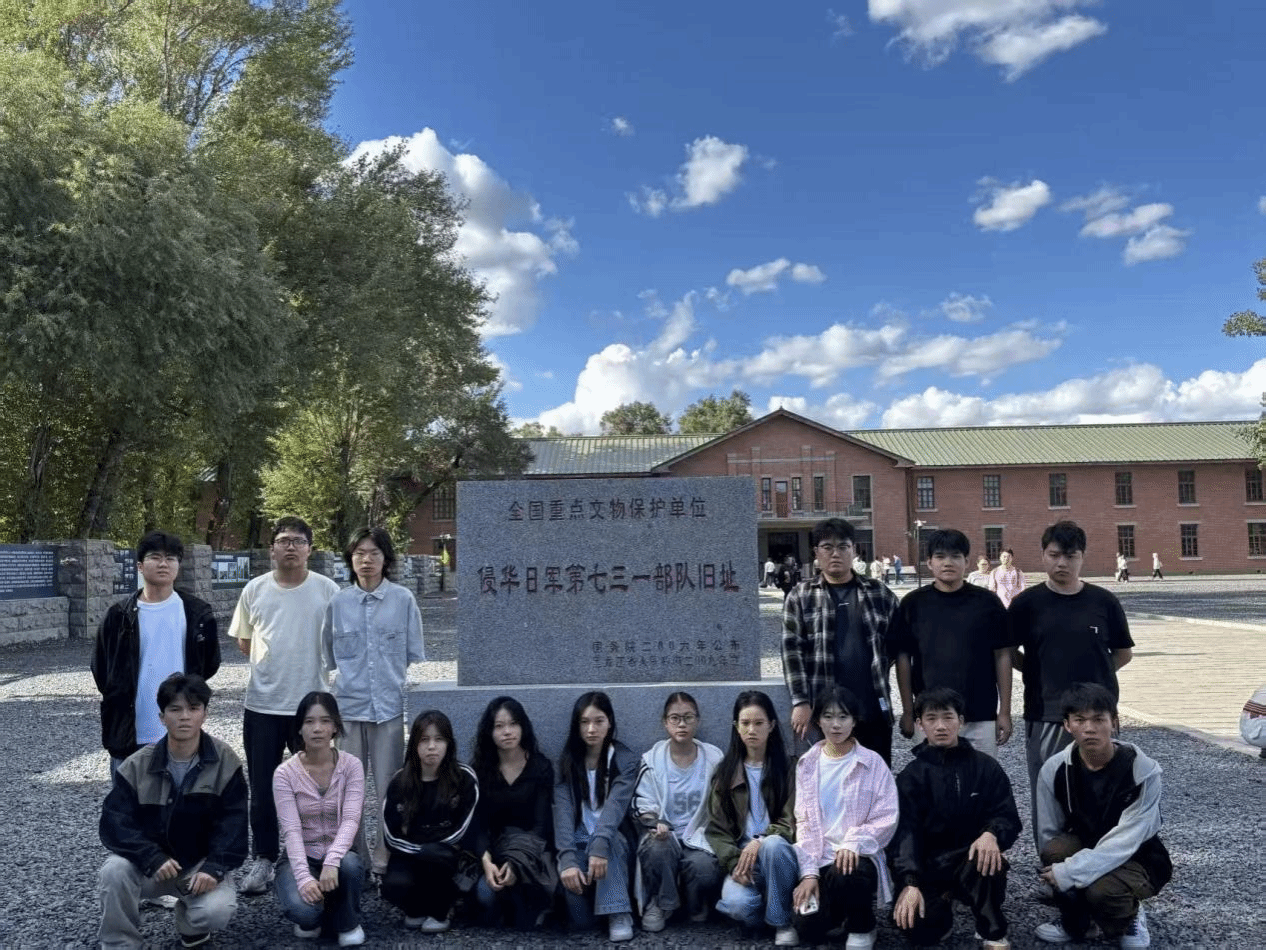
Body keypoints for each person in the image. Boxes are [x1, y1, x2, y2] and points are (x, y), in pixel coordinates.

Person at [98, 673, 247, 950]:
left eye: (193, 708)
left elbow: (234, 825)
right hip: (151, 868)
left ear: (205, 714)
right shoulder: (136, 765)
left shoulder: (225, 761)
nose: (184, 717)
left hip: (198, 867)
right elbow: (115, 822)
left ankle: (190, 925)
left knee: (217, 911)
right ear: (161, 717)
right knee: (114, 871)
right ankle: (121, 942)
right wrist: (150, 856)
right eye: (175, 709)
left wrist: (213, 868)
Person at [231, 516, 340, 895]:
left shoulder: (327, 590)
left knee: (317, 785)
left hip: (312, 709)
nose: (290, 546)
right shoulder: (255, 589)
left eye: (298, 541)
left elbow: (340, 641)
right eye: (283, 540)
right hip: (263, 704)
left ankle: (317, 857)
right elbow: (244, 642)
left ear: (310, 549)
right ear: (272, 549)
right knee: (263, 787)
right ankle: (263, 858)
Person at [1008, 521, 1134, 836]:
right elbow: (1007, 652)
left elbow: (1123, 653)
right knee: (1048, 788)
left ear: (1082, 557)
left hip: (1098, 714)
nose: (1062, 563)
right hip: (1047, 712)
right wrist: (1036, 671)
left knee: (1101, 786)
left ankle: (1101, 853)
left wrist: (1095, 679)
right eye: (1054, 555)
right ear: (1043, 555)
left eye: (1070, 556)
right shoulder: (1026, 604)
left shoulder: (1104, 601)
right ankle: (1052, 856)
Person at [1034, 684, 1172, 948]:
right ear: (1067, 725)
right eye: (1080, 720)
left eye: (1099, 719)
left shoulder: (1143, 771)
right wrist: (1062, 887)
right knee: (1054, 850)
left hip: (1138, 854)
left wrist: (1070, 872)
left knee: (1103, 891)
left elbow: (1127, 839)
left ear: (1114, 722)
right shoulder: (1054, 769)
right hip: (1086, 842)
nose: (1089, 728)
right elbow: (1049, 831)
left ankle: (1130, 914)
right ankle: (1079, 921)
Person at [322, 526, 425, 877]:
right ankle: (355, 857)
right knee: (348, 788)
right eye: (359, 553)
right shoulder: (337, 603)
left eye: (374, 553)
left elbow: (412, 653)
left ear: (386, 558)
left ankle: (385, 854)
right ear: (350, 560)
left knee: (389, 787)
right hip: (348, 710)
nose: (366, 560)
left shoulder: (403, 600)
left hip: (389, 710)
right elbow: (328, 656)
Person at [888, 688, 1020, 949]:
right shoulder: (910, 777)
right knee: (916, 929)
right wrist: (909, 882)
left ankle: (991, 929)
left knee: (988, 859)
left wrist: (992, 833)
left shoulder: (985, 766)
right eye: (931, 718)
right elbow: (905, 833)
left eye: (948, 717)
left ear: (960, 721)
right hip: (929, 865)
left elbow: (1006, 814)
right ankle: (944, 902)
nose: (941, 726)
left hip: (971, 859)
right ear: (920, 724)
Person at [93, 531, 221, 777]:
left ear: (178, 565)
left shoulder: (197, 613)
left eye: (171, 558)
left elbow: (209, 663)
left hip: (180, 731)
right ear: (140, 566)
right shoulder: (118, 615)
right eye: (155, 557)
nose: (163, 564)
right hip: (129, 730)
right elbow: (101, 668)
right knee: (127, 798)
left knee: (182, 798)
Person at [782, 517, 900, 765]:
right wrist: (800, 701)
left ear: (854, 551)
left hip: (871, 706)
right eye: (827, 547)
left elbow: (896, 648)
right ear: (816, 552)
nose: (835, 554)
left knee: (875, 776)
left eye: (843, 547)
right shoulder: (800, 596)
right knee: (828, 778)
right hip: (825, 712)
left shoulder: (879, 593)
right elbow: (792, 651)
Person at [790, 686, 898, 950]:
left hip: (859, 857)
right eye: (828, 716)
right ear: (818, 721)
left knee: (847, 871)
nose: (835, 725)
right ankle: (839, 916)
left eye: (843, 717)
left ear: (854, 721)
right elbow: (803, 822)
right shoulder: (807, 764)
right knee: (807, 928)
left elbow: (887, 816)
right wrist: (809, 873)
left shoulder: (872, 762)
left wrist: (853, 842)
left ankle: (863, 926)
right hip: (821, 857)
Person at [892, 529, 1012, 758]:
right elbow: (903, 658)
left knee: (981, 777)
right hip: (930, 715)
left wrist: (1004, 712)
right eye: (940, 556)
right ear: (929, 562)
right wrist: (908, 711)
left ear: (967, 561)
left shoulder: (988, 603)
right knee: (932, 778)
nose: (948, 562)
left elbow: (1002, 655)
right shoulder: (913, 604)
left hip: (980, 713)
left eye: (956, 556)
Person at [707, 690, 800, 947]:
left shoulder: (789, 767)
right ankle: (774, 905)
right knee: (737, 906)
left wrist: (760, 840)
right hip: (744, 859)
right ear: (736, 727)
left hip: (781, 854)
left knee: (773, 845)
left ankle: (782, 922)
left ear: (771, 725)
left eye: (759, 723)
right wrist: (734, 863)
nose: (751, 730)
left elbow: (793, 819)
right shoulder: (725, 773)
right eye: (745, 723)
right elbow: (717, 829)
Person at [272, 692, 366, 946]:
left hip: (341, 855)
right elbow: (291, 830)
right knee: (303, 912)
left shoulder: (352, 766)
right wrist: (303, 878)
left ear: (335, 726)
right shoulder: (284, 774)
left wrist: (332, 860)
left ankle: (347, 922)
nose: (317, 729)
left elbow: (351, 820)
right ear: (299, 728)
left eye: (325, 721)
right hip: (301, 855)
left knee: (350, 865)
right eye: (309, 721)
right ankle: (323, 910)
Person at [380, 710, 479, 932]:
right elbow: (391, 836)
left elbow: (463, 830)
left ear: (449, 743)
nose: (431, 746)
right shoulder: (399, 781)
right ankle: (416, 908)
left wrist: (425, 844)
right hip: (411, 855)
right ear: (414, 744)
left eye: (439, 739)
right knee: (393, 885)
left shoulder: (464, 778)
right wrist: (421, 850)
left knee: (437, 857)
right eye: (424, 740)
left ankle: (441, 911)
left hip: (448, 857)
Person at [634, 692, 724, 932]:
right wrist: (655, 823)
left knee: (704, 869)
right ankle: (662, 903)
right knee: (658, 847)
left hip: (699, 836)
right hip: (666, 835)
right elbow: (643, 803)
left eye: (688, 717)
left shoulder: (714, 758)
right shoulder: (652, 760)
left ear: (698, 721)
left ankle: (695, 904)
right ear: (665, 722)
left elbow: (723, 803)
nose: (681, 724)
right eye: (675, 718)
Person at [554, 691, 639, 942]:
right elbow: (562, 813)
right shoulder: (568, 761)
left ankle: (618, 912)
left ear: (609, 722)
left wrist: (599, 844)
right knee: (581, 922)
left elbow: (615, 809)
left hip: (615, 840)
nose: (591, 729)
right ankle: (602, 902)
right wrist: (567, 860)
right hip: (580, 839)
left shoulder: (624, 760)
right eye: (584, 722)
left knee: (609, 842)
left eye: (599, 721)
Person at [468, 696, 558, 928]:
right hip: (494, 851)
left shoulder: (540, 767)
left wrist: (517, 863)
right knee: (485, 896)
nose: (507, 732)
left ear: (523, 726)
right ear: (489, 732)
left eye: (513, 724)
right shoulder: (480, 770)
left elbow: (542, 825)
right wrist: (486, 861)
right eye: (499, 726)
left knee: (527, 915)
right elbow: (477, 823)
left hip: (531, 852)